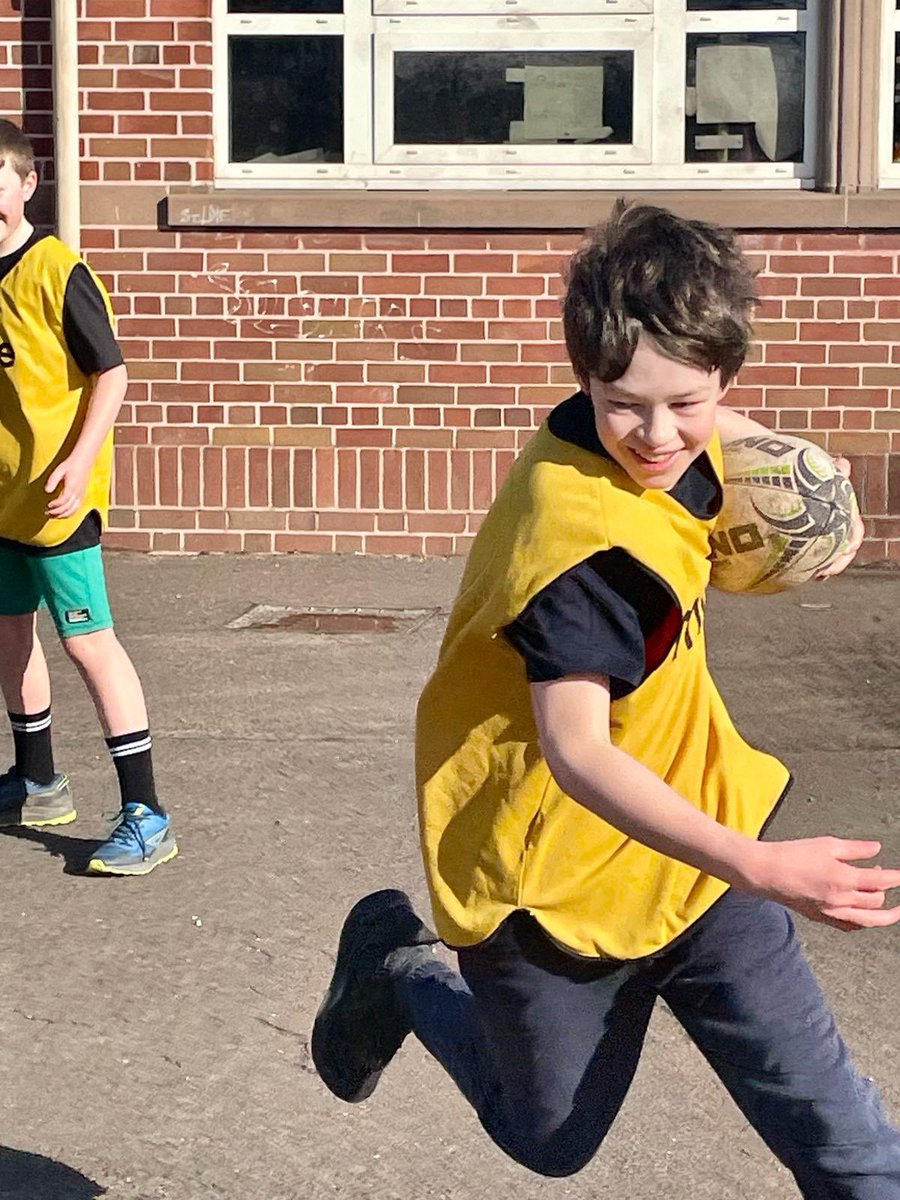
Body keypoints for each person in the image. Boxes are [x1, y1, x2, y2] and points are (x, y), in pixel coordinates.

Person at [311, 201, 900, 1196]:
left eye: (690, 401)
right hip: (556, 883)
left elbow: (712, 421)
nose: (659, 434)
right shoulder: (578, 552)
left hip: (696, 844)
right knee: (550, 1138)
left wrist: (807, 492)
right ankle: (403, 974)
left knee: (849, 1150)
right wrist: (759, 863)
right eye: (625, 402)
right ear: (585, 376)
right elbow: (578, 752)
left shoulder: (665, 415)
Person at [0, 118, 177, 875]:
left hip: (56, 498)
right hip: (3, 496)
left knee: (86, 642)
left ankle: (147, 812)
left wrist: (80, 460)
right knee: (9, 637)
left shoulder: (56, 270)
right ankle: (39, 780)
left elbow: (113, 374)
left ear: (26, 183)